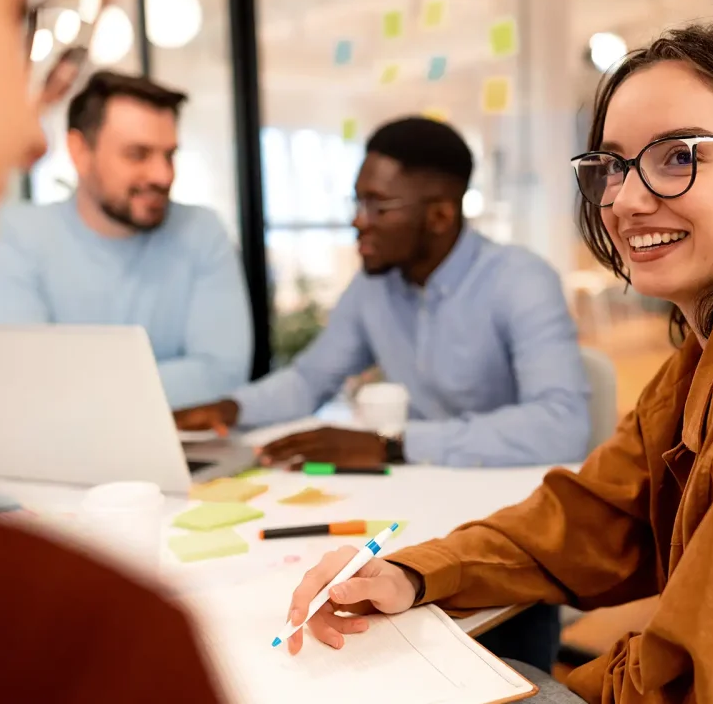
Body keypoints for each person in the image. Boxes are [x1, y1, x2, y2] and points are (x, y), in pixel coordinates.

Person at [282, 13, 713, 703]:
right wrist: (411, 574)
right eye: (613, 166)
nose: (626, 200)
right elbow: (590, 520)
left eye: (678, 156)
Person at [0, 0, 220, 701]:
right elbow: (15, 382)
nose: (27, 134)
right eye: (10, 27)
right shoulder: (74, 635)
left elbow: (224, 365)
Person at [176, 116, 591, 469]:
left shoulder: (521, 281)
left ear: (441, 215)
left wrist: (392, 444)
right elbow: (309, 380)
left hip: (510, 496)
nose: (358, 222)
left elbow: (562, 426)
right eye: (357, 203)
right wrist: (230, 409)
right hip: (423, 488)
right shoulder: (374, 285)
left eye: (378, 206)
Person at [0, 70, 253, 410]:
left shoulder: (202, 230)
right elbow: (16, 383)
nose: (163, 175)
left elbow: (223, 374)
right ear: (79, 151)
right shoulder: (10, 235)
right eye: (137, 154)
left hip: (172, 452)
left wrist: (71, 391)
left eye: (169, 155)